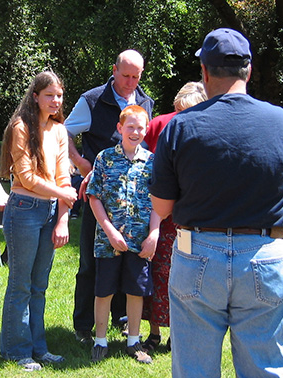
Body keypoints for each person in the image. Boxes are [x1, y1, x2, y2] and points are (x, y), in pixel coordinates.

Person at [149, 28, 283, 378]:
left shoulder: (180, 127)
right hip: (267, 251)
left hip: (197, 252)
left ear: (204, 73)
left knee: (193, 370)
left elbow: (161, 207)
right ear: (247, 72)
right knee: (267, 369)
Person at [65, 49, 154, 344]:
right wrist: (81, 163)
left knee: (129, 259)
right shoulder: (92, 100)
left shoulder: (145, 103)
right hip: (99, 195)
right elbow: (62, 133)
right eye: (126, 75)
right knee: (93, 261)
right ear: (114, 70)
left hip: (134, 202)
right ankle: (83, 325)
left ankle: (122, 320)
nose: (130, 82)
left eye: (136, 77)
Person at [0, 71, 78, 371]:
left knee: (39, 286)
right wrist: (63, 194)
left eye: (59, 96)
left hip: (48, 212)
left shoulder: (59, 130)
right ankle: (16, 351)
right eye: (49, 95)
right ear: (35, 97)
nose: (55, 101)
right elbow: (28, 178)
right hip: (24, 209)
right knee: (20, 285)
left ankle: (38, 348)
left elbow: (62, 177)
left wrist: (62, 220)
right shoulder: (21, 127)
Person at [86, 105, 159, 364]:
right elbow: (94, 197)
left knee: (135, 290)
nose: (135, 132)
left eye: (141, 127)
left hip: (140, 243)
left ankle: (134, 341)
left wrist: (154, 233)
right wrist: (109, 231)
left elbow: (158, 202)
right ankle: (100, 341)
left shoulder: (152, 162)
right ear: (120, 128)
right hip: (108, 242)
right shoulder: (105, 158)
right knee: (104, 290)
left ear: (147, 129)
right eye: (130, 127)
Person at [141, 81, 207, 354]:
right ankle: (154, 332)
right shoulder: (167, 134)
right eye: (179, 111)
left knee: (187, 273)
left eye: (188, 112)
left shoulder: (206, 141)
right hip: (163, 218)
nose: (182, 118)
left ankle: (179, 335)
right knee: (159, 272)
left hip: (191, 224)